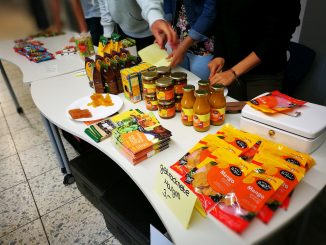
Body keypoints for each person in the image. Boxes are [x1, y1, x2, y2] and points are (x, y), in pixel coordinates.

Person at [208, 0, 301, 101]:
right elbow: (222, 21)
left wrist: (234, 72)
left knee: (258, 115)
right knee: (227, 114)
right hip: (230, 69)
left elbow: (276, 39)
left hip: (264, 74)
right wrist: (219, 55)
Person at [164, 0, 217, 80]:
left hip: (203, 42)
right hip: (179, 41)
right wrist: (166, 29)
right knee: (181, 84)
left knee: (201, 86)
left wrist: (182, 47)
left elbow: (210, 12)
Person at [98, 0, 178, 51]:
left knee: (152, 70)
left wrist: (155, 18)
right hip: (124, 31)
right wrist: (107, 34)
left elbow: (147, 2)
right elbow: (104, 6)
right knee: (130, 69)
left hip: (148, 33)